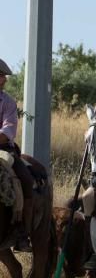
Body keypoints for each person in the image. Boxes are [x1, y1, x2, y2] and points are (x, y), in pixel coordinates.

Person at [0, 59, 35, 252]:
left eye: (3, 76)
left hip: (3, 149)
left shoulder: (8, 103)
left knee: (26, 179)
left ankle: (22, 231)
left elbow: (8, 132)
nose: (4, 79)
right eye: (1, 75)